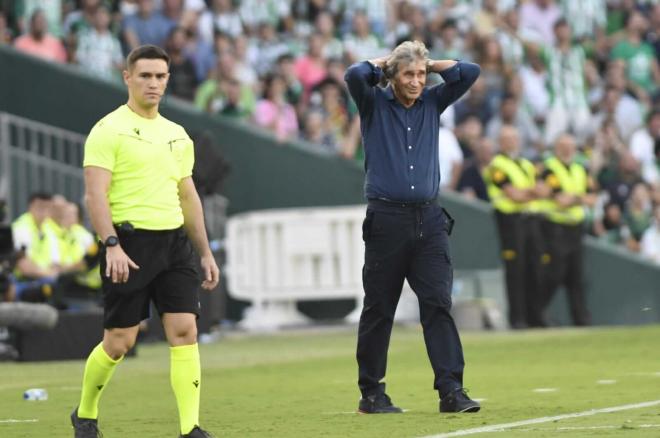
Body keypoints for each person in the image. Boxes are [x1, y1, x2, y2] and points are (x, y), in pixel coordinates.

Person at [71, 45, 219, 438]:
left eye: (160, 76)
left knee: (185, 330)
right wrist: (111, 244)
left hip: (175, 246)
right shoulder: (107, 130)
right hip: (129, 246)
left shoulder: (177, 135)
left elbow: (188, 196)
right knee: (120, 341)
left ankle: (191, 428)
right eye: (145, 76)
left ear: (168, 80)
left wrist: (204, 251)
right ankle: (85, 414)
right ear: (127, 77)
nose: (153, 83)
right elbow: (94, 195)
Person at [344, 40, 481, 415]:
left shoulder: (432, 102)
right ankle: (372, 394)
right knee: (379, 308)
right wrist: (389, 61)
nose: (417, 81)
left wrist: (429, 62)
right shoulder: (373, 103)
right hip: (387, 220)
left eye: (421, 74)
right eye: (409, 74)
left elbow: (470, 71)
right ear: (393, 75)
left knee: (438, 303)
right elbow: (355, 74)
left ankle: (452, 390)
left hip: (430, 219)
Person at [483, 125, 546, 328]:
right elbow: (514, 195)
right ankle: (517, 318)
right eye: (507, 139)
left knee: (535, 268)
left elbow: (543, 191)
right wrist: (531, 193)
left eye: (514, 138)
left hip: (531, 219)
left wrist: (527, 193)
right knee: (516, 270)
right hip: (511, 221)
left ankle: (535, 316)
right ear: (500, 142)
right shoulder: (497, 166)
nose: (512, 142)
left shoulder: (526, 164)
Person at [539, 134, 595, 326]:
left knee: (577, 276)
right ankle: (538, 312)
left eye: (571, 146)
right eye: (563, 146)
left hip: (576, 228)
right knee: (554, 274)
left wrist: (573, 198)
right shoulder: (549, 170)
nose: (567, 150)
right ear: (557, 148)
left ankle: (581, 319)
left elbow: (593, 198)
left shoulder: (581, 169)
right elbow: (560, 200)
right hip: (556, 227)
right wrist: (579, 198)